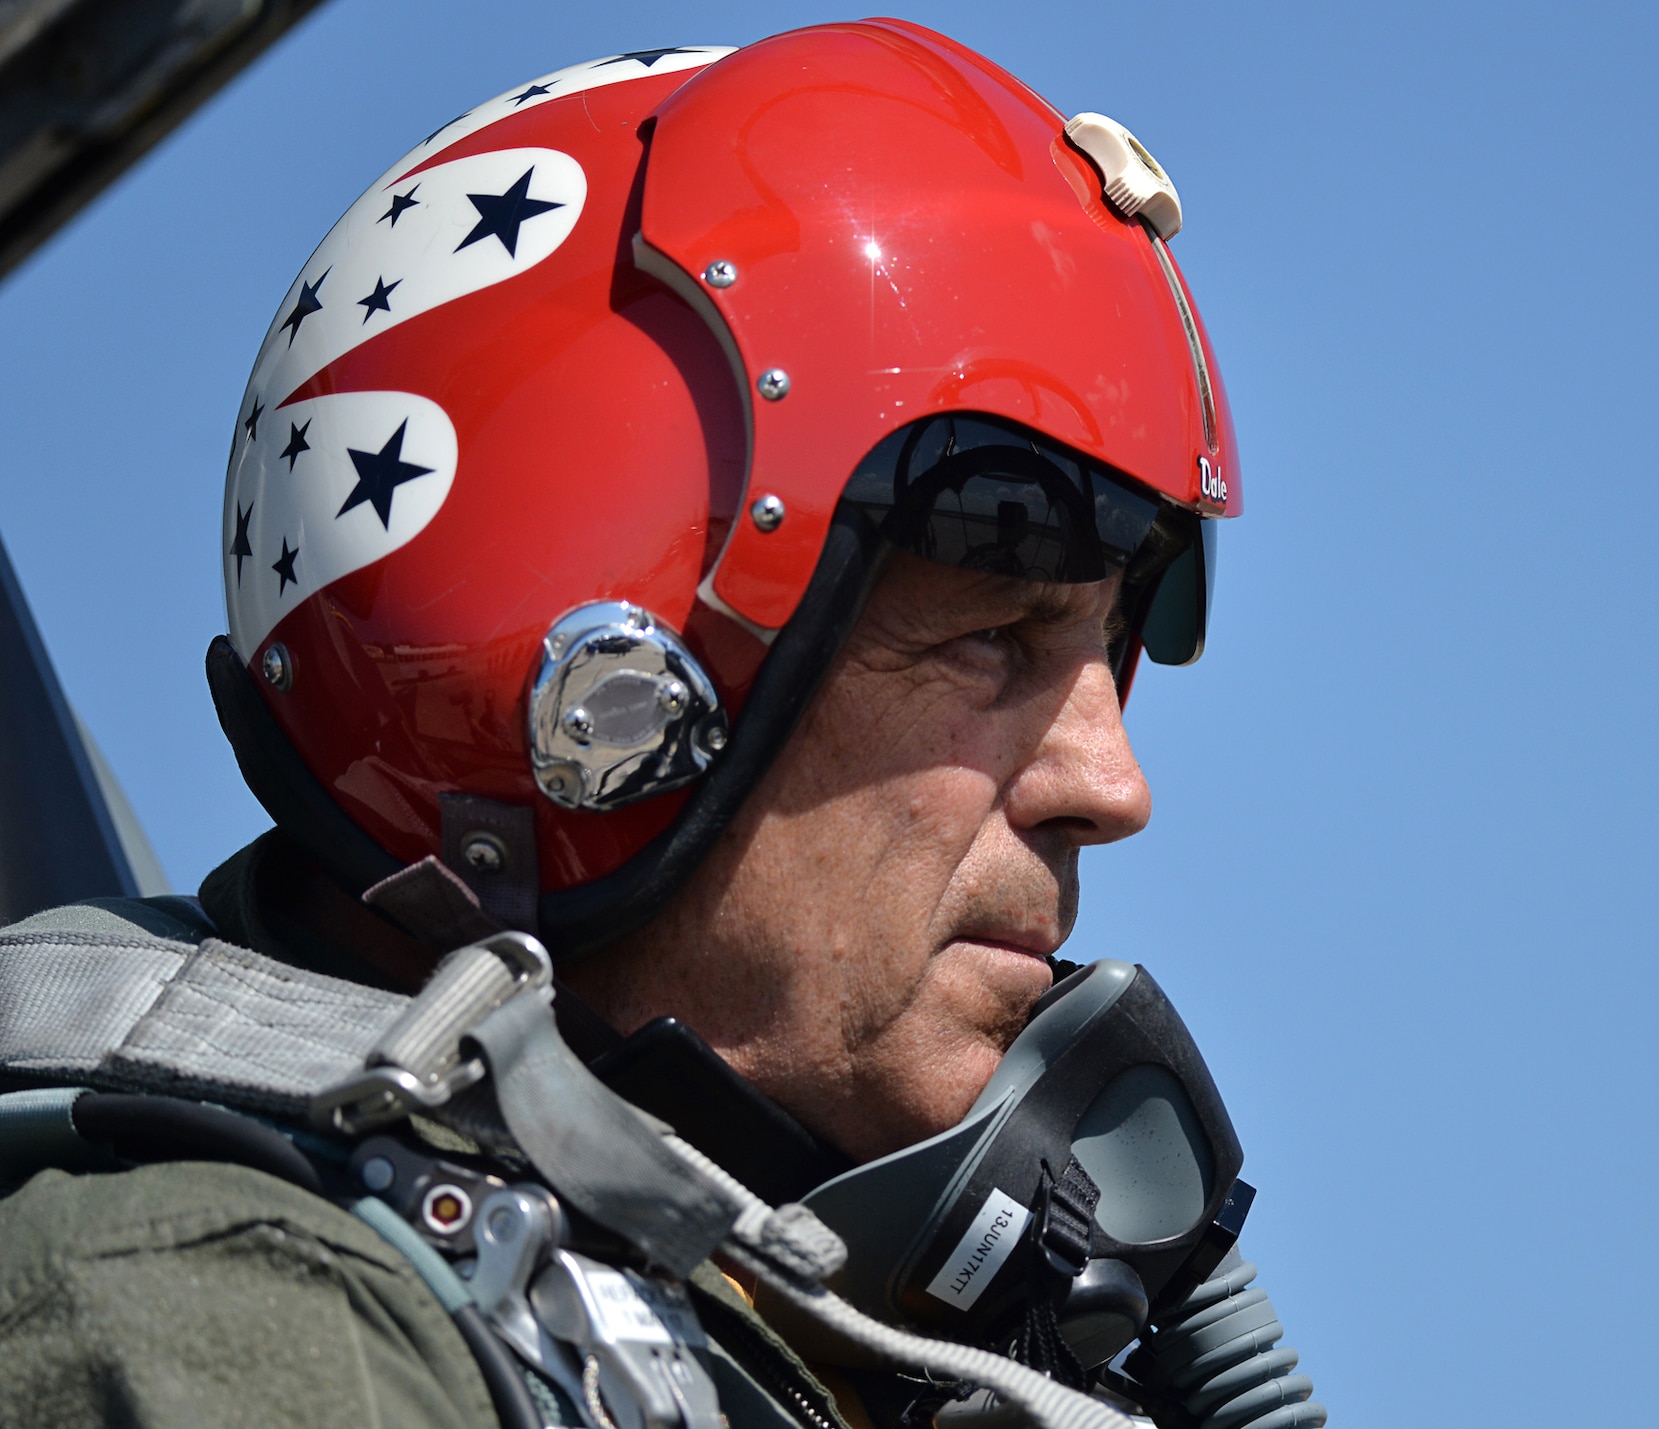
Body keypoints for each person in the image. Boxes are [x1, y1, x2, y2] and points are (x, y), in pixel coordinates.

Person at [0, 21, 1319, 1429]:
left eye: (1109, 649)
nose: (1111, 785)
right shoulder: (253, 1335)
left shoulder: (706, 1347)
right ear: (582, 693)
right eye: (991, 637)